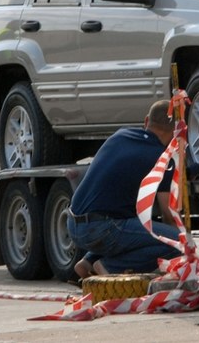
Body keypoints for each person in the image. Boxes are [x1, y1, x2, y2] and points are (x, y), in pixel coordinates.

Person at [67, 100, 182, 278]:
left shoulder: (120, 135)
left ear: (146, 121)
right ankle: (110, 267)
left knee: (130, 222)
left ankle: (87, 263)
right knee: (178, 242)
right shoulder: (163, 159)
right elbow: (168, 214)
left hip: (74, 224)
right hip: (102, 229)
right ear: (176, 132)